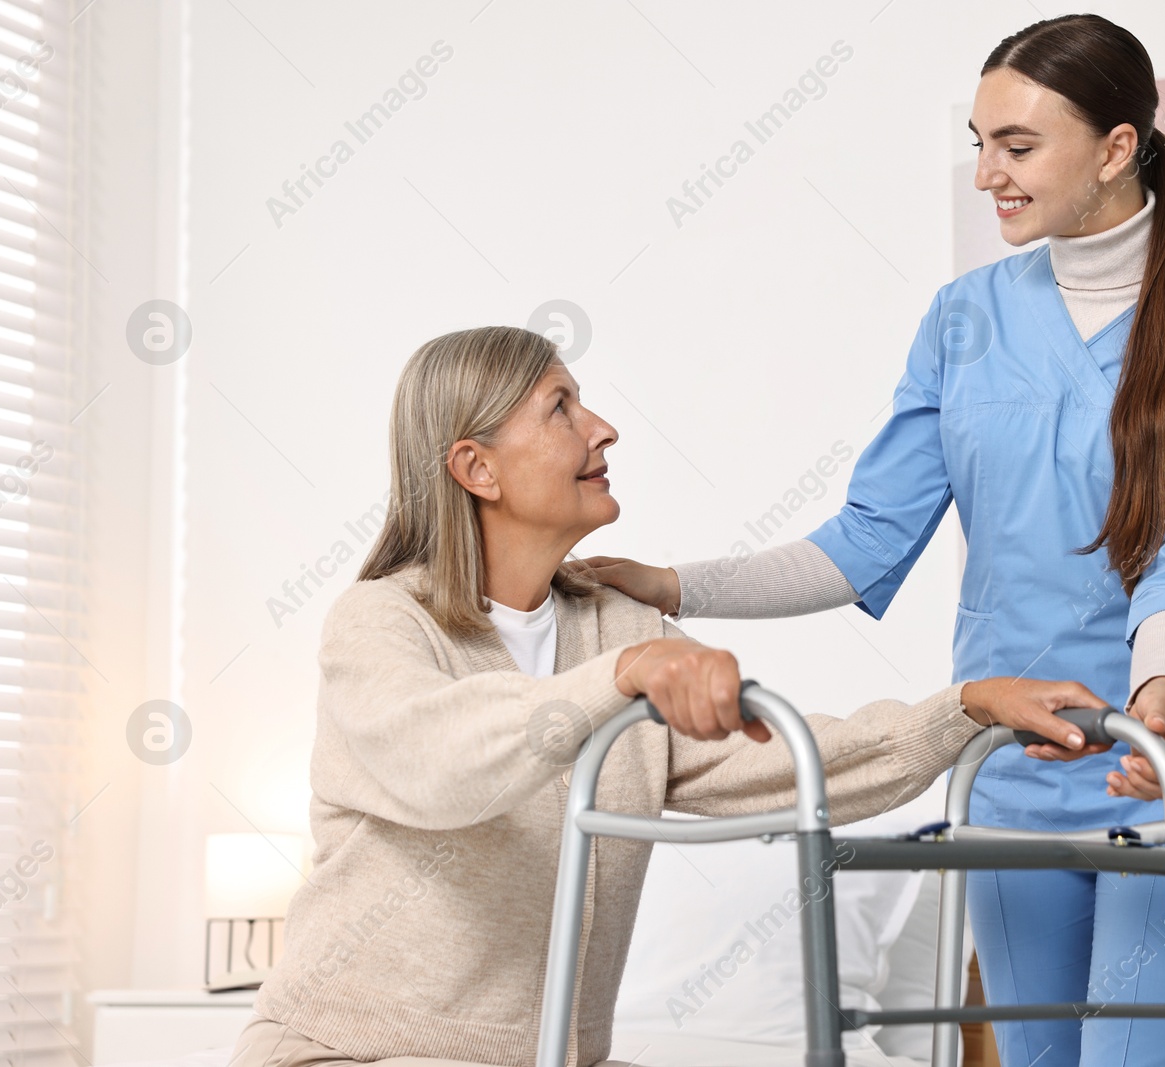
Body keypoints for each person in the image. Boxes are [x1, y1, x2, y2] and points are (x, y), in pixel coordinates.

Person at [584, 14, 1165, 1067]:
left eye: (1016, 146)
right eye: (979, 143)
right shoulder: (963, 319)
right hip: (1008, 770)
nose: (986, 175)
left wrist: (1157, 692)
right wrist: (676, 583)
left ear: (1114, 146)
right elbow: (866, 538)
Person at [226, 325, 1114, 1067]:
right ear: (477, 468)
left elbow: (798, 763)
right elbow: (435, 760)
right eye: (561, 408)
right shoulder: (382, 621)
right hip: (343, 1047)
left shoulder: (619, 627)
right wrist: (615, 683)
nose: (603, 428)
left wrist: (966, 706)